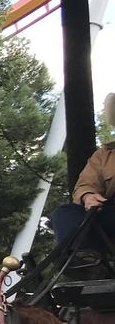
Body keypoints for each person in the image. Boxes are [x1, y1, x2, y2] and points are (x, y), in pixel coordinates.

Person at [51, 92, 115, 264]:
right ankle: (85, 260)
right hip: (110, 215)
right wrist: (88, 197)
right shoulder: (103, 156)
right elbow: (85, 185)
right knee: (65, 213)